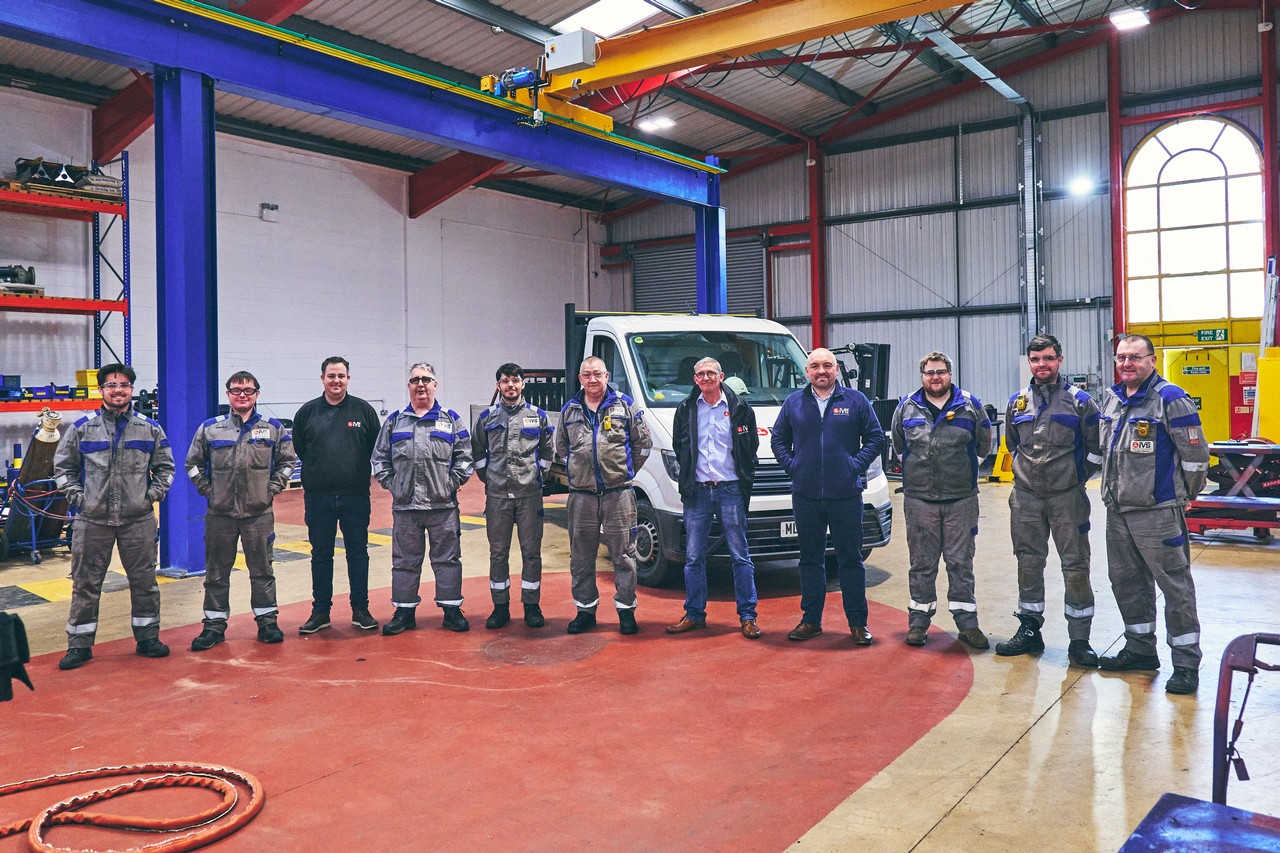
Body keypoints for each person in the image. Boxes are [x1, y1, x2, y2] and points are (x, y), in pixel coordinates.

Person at [1097, 334, 1210, 695]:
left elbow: (1195, 455)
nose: (1127, 364)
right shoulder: (1113, 398)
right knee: (1127, 584)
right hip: (1118, 512)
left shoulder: (1170, 399)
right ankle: (1140, 650)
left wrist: (1183, 496)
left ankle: (1186, 663)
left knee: (1174, 587)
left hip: (1158, 512)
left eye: (1135, 357)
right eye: (1121, 358)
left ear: (1152, 360)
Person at [52, 363, 175, 670]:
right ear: (102, 390)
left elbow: (166, 468)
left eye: (124, 385)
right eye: (111, 385)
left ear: (131, 389)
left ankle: (147, 637)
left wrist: (150, 496)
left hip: (138, 520)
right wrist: (79, 498)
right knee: (85, 583)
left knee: (145, 580)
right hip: (92, 521)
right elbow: (63, 468)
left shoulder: (149, 428)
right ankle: (79, 644)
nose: (118, 390)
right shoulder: (82, 427)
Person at [995, 335, 1102, 667]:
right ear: (1029, 362)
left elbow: (1096, 449)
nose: (1042, 364)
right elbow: (1014, 445)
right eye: (1035, 359)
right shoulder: (1017, 403)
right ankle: (1029, 629)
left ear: (1060, 360)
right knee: (1028, 562)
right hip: (1026, 498)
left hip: (1067, 498)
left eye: (1048, 358)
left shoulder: (1081, 402)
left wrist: (1074, 477)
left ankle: (1079, 640)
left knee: (1075, 565)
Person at [771, 348, 885, 645]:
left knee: (850, 560)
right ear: (806, 372)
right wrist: (793, 467)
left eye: (827, 366)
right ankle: (811, 621)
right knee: (810, 560)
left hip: (846, 495)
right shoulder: (794, 402)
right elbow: (778, 439)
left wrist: (855, 465)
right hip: (806, 495)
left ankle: (858, 624)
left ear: (836, 370)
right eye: (815, 366)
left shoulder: (855, 401)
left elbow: (875, 437)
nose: (821, 371)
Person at [185, 371, 298, 650]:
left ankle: (267, 622)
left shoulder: (273, 428)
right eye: (236, 390)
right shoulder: (211, 429)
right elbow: (192, 463)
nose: (242, 395)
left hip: (258, 514)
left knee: (262, 569)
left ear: (257, 394)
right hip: (220, 515)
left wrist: (271, 489)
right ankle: (213, 626)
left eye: (248, 390)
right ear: (228, 395)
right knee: (216, 571)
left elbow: (287, 462)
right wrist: (208, 490)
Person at [891, 352, 992, 650]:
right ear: (922, 375)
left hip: (961, 500)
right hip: (919, 500)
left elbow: (984, 444)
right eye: (929, 372)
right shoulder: (906, 407)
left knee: (961, 562)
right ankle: (919, 623)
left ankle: (968, 625)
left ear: (950, 373)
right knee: (921, 562)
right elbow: (899, 446)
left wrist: (959, 472)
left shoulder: (970, 405)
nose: (935, 377)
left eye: (941, 371)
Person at [373, 363, 474, 635]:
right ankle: (404, 612)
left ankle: (451, 610)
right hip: (406, 507)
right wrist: (395, 486)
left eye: (426, 379)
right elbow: (379, 460)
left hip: (442, 507)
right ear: (408, 386)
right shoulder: (395, 421)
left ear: (435, 385)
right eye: (415, 379)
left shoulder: (451, 419)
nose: (420, 384)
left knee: (448, 559)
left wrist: (449, 484)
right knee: (404, 561)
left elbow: (465, 458)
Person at [666, 357, 761, 639]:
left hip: (730, 489)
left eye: (711, 373)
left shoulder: (740, 408)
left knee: (740, 555)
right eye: (700, 374)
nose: (706, 378)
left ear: (721, 376)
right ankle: (694, 614)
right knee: (694, 557)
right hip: (697, 492)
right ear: (694, 379)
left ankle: (747, 616)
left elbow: (750, 446)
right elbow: (679, 446)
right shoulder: (685, 409)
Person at [556, 356, 652, 635]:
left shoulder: (625, 405)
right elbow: (561, 447)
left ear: (607, 376)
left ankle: (625, 611)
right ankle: (585, 610)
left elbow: (643, 443)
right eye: (587, 375)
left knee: (623, 555)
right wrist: (579, 471)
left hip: (618, 494)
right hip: (581, 496)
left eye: (597, 374)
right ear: (580, 379)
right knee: (581, 557)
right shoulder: (570, 410)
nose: (593, 379)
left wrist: (625, 470)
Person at [291, 356, 381, 634]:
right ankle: (320, 613)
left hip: (355, 496)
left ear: (348, 379)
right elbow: (301, 448)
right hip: (319, 499)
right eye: (331, 376)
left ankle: (360, 609)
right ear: (322, 379)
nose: (336, 381)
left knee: (358, 552)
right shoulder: (307, 413)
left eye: (341, 376)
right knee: (321, 555)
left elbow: (374, 448)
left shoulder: (363, 411)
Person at [471, 363, 554, 629]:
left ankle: (531, 606)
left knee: (532, 552)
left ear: (523, 384)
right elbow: (477, 453)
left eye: (515, 381)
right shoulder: (487, 418)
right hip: (498, 498)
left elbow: (548, 450)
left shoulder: (538, 416)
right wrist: (490, 478)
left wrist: (536, 476)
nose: (510, 386)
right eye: (505, 381)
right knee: (498, 553)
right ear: (498, 385)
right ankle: (500, 607)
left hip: (530, 497)